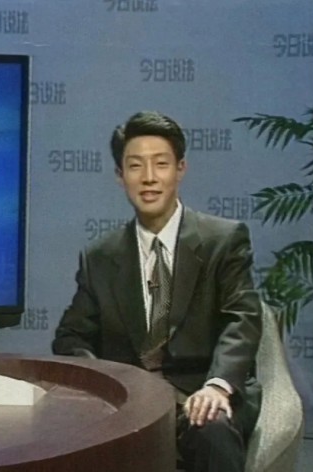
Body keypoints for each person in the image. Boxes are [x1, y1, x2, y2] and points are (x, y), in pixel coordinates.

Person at [52, 111, 262, 472]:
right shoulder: (100, 257)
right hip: (132, 402)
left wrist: (218, 386)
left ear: (180, 169)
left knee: (211, 429)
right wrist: (106, 387)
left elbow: (241, 319)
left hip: (201, 391)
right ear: (120, 176)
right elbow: (71, 337)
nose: (149, 177)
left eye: (161, 164)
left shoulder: (222, 240)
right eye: (135, 166)